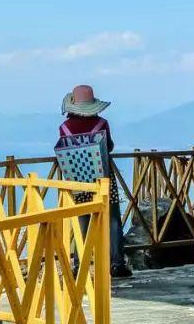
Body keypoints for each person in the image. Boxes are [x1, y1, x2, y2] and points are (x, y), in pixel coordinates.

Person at [55, 84, 132, 278]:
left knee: (83, 220)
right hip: (103, 178)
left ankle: (80, 263)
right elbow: (110, 146)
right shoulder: (102, 124)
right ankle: (116, 263)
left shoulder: (64, 128)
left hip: (78, 180)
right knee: (112, 219)